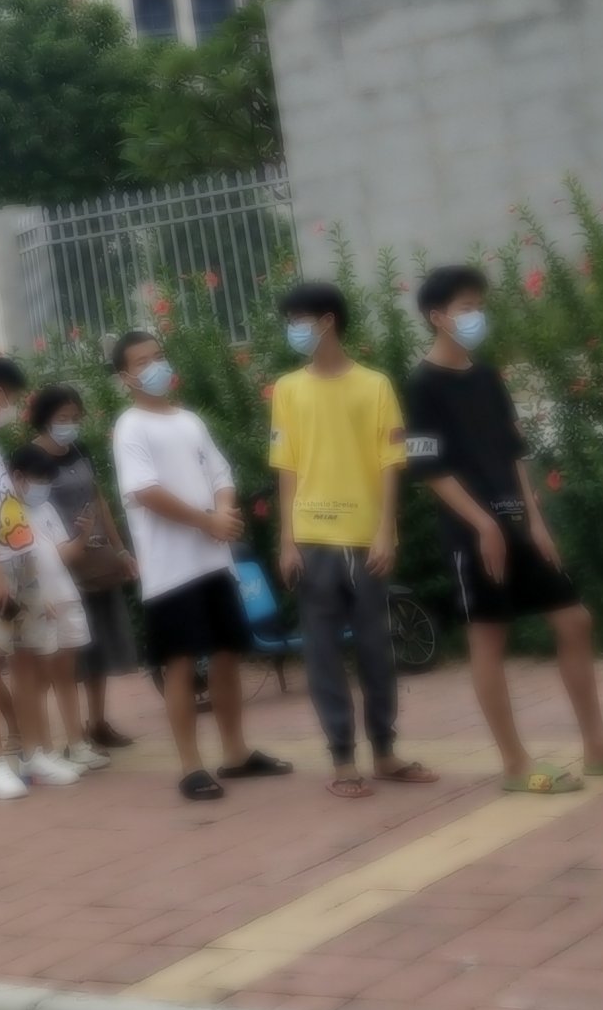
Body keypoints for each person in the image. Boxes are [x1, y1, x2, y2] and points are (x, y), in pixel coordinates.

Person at [405, 267, 603, 793]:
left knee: (574, 621)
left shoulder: (486, 376)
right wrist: (483, 524)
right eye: (466, 307)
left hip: (518, 523)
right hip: (472, 534)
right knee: (489, 638)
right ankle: (515, 763)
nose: (477, 316)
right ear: (437, 317)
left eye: (479, 305)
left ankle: (599, 747)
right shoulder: (421, 384)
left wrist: (537, 522)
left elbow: (515, 454)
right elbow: (429, 468)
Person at [111, 329, 289, 801]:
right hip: (170, 571)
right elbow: (144, 491)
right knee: (181, 665)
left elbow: (220, 473)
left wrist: (223, 511)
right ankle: (190, 765)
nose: (156, 366)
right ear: (126, 377)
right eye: (143, 362)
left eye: (159, 356)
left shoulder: (189, 421)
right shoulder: (131, 427)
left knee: (228, 655)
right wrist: (206, 521)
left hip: (214, 563)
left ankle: (236, 753)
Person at [272, 282, 432, 800]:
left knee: (376, 652)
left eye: (300, 320)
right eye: (289, 322)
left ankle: (384, 752)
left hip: (366, 541)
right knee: (322, 656)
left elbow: (391, 461)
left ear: (328, 322)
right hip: (312, 540)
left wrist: (385, 531)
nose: (293, 330)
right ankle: (343, 760)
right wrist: (286, 540)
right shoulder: (288, 390)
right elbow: (286, 467)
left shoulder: (375, 385)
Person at [0, 357, 81, 800]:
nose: (9, 409)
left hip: (18, 556)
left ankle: (34, 753)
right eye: (10, 400)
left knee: (28, 656)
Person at [28, 385, 139, 752]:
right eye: (64, 418)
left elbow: (98, 498)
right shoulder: (30, 457)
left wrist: (119, 548)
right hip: (60, 562)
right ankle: (67, 733)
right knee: (65, 650)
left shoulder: (80, 450)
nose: (70, 424)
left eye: (75, 417)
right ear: (45, 418)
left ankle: (98, 722)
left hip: (96, 558)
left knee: (99, 642)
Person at [1, 443, 103, 772]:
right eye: (39, 478)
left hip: (63, 594)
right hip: (37, 601)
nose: (43, 485)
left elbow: (63, 554)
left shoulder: (44, 508)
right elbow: (13, 562)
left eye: (47, 479)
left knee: (65, 674)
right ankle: (44, 749)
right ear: (18, 477)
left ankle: (76, 744)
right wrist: (34, 597)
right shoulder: (6, 510)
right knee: (37, 679)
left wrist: (82, 536)